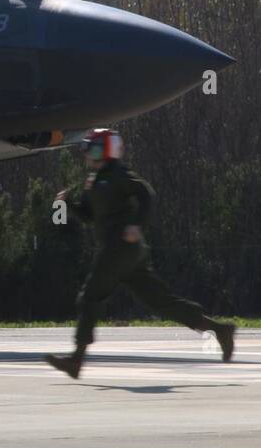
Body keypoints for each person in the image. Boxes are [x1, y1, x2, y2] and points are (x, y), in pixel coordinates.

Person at [45, 128, 236, 378]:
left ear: (107, 150)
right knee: (162, 303)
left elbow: (146, 194)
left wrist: (137, 223)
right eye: (87, 149)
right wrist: (68, 204)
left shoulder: (117, 173)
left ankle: (76, 361)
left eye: (92, 149)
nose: (87, 154)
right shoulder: (94, 179)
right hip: (125, 252)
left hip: (120, 247)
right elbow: (90, 217)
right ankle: (220, 330)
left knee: (90, 297)